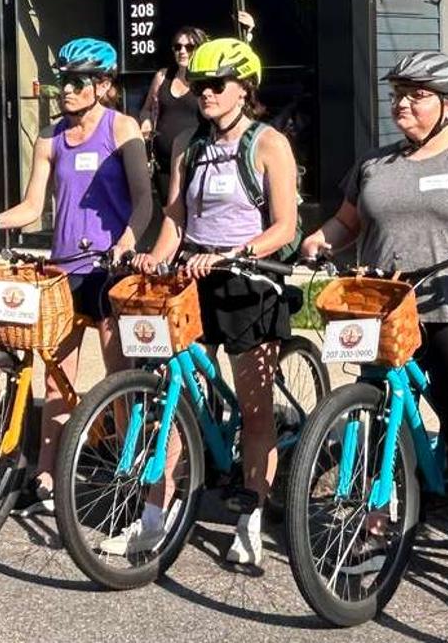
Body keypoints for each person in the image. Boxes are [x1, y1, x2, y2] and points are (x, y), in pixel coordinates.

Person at [300, 50, 448, 601]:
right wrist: (321, 240)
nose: (401, 104)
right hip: (383, 310)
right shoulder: (374, 165)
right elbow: (346, 223)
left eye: (415, 95)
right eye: (397, 94)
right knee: (374, 415)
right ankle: (376, 527)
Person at [122, 38, 299, 567]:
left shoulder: (269, 143)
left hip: (250, 280)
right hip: (196, 276)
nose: (206, 94)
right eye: (200, 85)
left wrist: (235, 254)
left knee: (253, 407)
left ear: (246, 88)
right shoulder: (188, 144)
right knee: (173, 397)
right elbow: (176, 216)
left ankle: (250, 518)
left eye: (217, 85)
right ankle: (153, 516)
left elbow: (285, 225)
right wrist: (155, 258)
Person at [0, 38, 155, 516]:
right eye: (62, 80)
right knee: (55, 381)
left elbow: (145, 201)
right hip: (62, 270)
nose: (65, 90)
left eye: (76, 82)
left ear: (103, 85)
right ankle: (47, 478)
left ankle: (127, 477)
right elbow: (33, 206)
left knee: (119, 381)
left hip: (110, 271)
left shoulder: (122, 128)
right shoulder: (51, 137)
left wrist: (128, 244)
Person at [138, 26, 209, 202]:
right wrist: (146, 122)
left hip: (195, 160)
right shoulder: (163, 76)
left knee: (193, 212)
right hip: (164, 162)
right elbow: (146, 108)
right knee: (168, 212)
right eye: (177, 47)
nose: (182, 51)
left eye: (189, 47)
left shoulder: (206, 79)